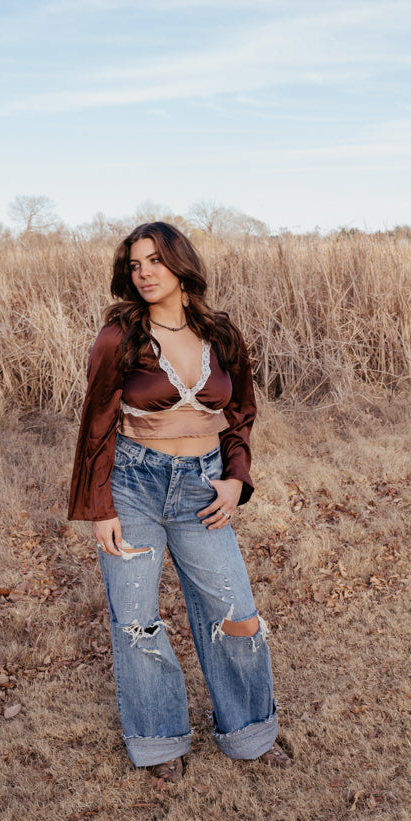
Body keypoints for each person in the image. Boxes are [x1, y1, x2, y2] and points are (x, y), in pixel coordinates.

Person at [68, 221, 292, 781]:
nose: (144, 272)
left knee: (235, 613)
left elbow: (240, 412)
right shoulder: (120, 335)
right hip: (133, 485)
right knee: (138, 622)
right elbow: (96, 423)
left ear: (180, 265)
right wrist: (101, 507)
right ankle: (159, 742)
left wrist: (236, 479)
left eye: (155, 261)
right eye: (135, 263)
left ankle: (250, 734)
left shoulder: (221, 334)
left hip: (202, 486)